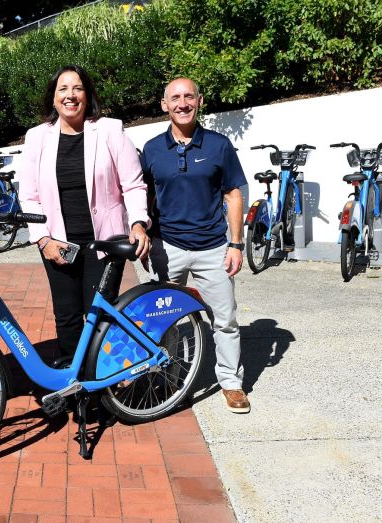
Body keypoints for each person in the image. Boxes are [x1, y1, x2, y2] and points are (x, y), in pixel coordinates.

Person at [18, 64, 150, 361]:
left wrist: (139, 223)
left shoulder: (110, 130)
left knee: (100, 316)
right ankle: (74, 384)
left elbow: (133, 184)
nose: (70, 95)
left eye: (77, 88)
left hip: (103, 243)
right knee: (66, 316)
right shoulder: (37, 137)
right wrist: (42, 240)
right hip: (57, 242)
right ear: (53, 98)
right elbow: (28, 195)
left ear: (88, 95)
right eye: (62, 89)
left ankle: (101, 385)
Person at [140, 77, 250, 414]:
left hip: (213, 248)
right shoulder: (152, 149)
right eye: (175, 98)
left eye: (189, 96)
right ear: (164, 105)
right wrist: (142, 231)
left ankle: (231, 382)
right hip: (167, 247)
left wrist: (236, 244)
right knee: (165, 320)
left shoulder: (218, 145)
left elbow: (233, 194)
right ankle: (172, 379)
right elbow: (141, 197)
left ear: (199, 101)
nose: (182, 103)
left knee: (225, 319)